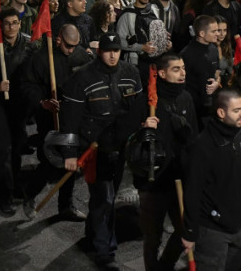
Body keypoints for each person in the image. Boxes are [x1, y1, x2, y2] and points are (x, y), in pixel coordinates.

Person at [60, 32, 143, 270]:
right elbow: (70, 119)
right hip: (94, 148)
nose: (113, 55)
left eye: (117, 50)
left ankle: (93, 234)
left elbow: (136, 109)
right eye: (108, 50)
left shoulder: (131, 73)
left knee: (107, 197)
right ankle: (105, 251)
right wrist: (69, 153)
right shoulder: (82, 78)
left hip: (120, 148)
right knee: (104, 198)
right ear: (99, 51)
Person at [181, 89, 241, 271]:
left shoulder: (240, 132)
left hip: (240, 221)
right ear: (221, 113)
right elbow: (192, 192)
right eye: (237, 110)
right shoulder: (202, 146)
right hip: (212, 229)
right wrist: (190, 232)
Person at [131, 53, 198, 271]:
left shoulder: (186, 97)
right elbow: (127, 140)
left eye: (183, 68)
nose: (182, 73)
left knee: (183, 230)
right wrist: (143, 129)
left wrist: (186, 132)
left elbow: (194, 138)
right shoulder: (146, 100)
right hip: (153, 180)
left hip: (178, 177)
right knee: (153, 236)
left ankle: (164, 266)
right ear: (161, 73)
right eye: (176, 69)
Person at [20, 23, 90, 221]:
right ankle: (31, 193)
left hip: (73, 117)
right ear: (58, 39)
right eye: (68, 45)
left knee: (70, 161)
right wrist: (42, 102)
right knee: (50, 161)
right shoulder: (41, 59)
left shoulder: (81, 57)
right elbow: (27, 85)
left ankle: (65, 206)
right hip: (49, 117)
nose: (71, 50)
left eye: (75, 46)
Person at [179, 15, 221, 117]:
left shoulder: (214, 49)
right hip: (193, 108)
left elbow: (218, 71)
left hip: (212, 105)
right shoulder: (186, 55)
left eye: (217, 30)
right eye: (213, 31)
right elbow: (180, 82)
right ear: (202, 33)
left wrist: (217, 83)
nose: (218, 34)